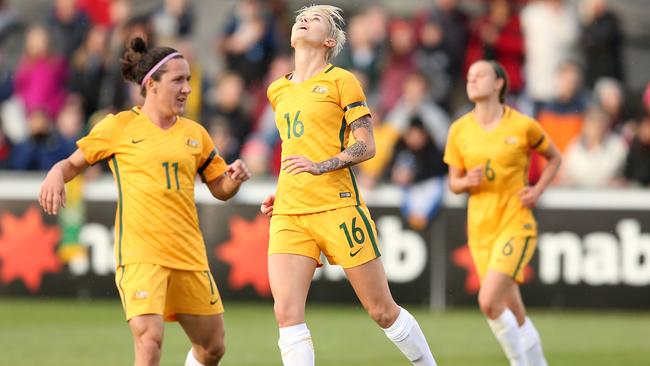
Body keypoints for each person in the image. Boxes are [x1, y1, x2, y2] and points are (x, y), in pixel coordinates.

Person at [38, 37, 251, 366]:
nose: (187, 89)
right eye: (178, 80)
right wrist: (55, 172)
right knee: (149, 341)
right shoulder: (119, 127)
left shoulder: (196, 134)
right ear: (151, 83)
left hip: (188, 255)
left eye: (189, 80)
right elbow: (72, 164)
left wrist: (232, 180)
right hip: (141, 256)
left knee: (213, 348)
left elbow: (219, 188)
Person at [259, 5, 437, 366]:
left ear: (328, 40)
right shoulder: (277, 89)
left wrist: (320, 166)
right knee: (286, 313)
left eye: (315, 19)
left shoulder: (342, 80)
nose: (303, 20)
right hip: (290, 212)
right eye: (300, 18)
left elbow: (366, 145)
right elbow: (296, 149)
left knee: (382, 311)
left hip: (338, 207)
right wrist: (288, 187)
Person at [444, 60, 562, 366]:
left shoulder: (522, 125)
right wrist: (465, 182)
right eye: (469, 75)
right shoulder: (459, 129)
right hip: (481, 228)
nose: (472, 79)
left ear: (499, 83)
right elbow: (453, 183)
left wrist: (536, 191)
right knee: (514, 310)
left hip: (515, 222)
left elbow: (553, 158)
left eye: (481, 74)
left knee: (489, 302)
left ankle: (519, 363)